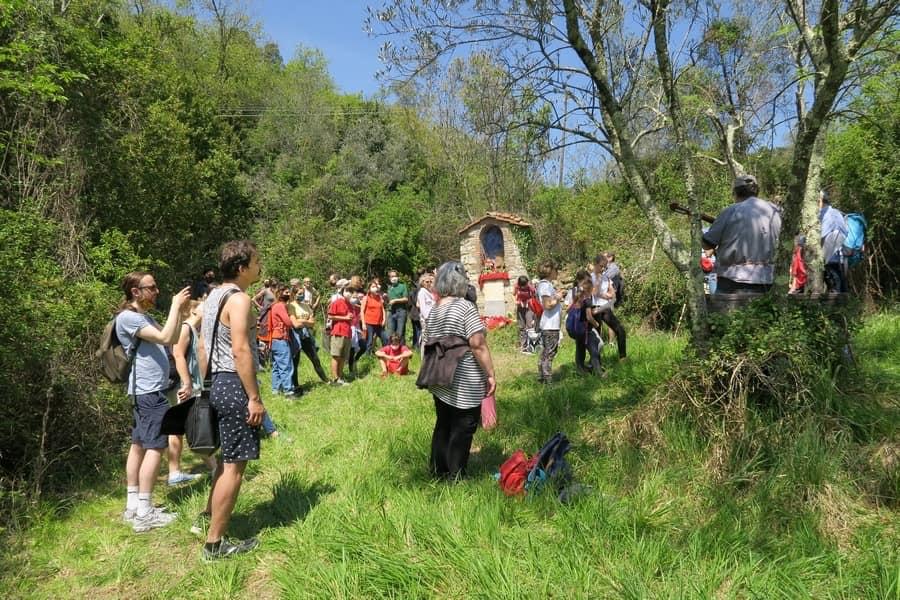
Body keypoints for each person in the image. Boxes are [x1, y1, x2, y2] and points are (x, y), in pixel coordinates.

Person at [197, 240, 265, 560]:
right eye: (255, 261)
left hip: (215, 382)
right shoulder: (239, 300)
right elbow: (241, 350)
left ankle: (208, 516)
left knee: (225, 460)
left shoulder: (212, 296)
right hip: (235, 384)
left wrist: (204, 385)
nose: (259, 265)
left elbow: (201, 346)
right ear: (241, 267)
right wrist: (253, 397)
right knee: (235, 467)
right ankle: (215, 544)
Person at [116, 272, 191, 532]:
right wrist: (174, 306)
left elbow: (171, 337)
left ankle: (133, 505)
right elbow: (163, 338)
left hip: (148, 392)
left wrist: (180, 312)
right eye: (152, 287)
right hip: (148, 393)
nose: (156, 291)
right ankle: (145, 513)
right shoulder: (128, 318)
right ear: (136, 291)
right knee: (155, 447)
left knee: (138, 445)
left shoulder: (143, 317)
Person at [421, 261, 496, 479]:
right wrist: (490, 374)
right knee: (463, 425)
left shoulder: (436, 309)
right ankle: (456, 474)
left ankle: (438, 470)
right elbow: (477, 343)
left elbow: (427, 341)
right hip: (464, 377)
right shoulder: (464, 307)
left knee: (444, 422)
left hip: (440, 374)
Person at [702, 174, 782, 293]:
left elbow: (707, 244)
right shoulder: (776, 211)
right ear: (756, 191)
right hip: (769, 280)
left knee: (725, 312)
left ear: (735, 193)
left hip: (733, 281)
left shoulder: (731, 211)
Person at [168, 300, 216, 485]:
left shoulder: (195, 329)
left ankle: (174, 472)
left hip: (189, 386)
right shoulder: (185, 328)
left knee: (179, 429)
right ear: (194, 311)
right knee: (197, 427)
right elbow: (178, 354)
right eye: (205, 306)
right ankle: (215, 468)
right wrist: (187, 384)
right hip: (185, 387)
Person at [288, 291, 329, 388]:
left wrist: (302, 321)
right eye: (298, 293)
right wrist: (306, 322)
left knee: (315, 359)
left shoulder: (306, 306)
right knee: (295, 361)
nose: (301, 295)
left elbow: (312, 323)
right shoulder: (291, 306)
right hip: (295, 337)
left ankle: (326, 380)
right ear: (294, 294)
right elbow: (295, 324)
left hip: (306, 336)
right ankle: (296, 385)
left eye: (302, 293)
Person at [590, 254, 627, 360]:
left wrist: (604, 295)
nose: (603, 269)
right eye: (601, 266)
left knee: (620, 330)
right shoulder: (590, 277)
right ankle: (595, 363)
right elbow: (593, 292)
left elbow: (613, 295)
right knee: (596, 337)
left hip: (605, 307)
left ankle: (622, 357)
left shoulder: (606, 278)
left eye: (604, 267)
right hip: (594, 308)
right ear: (595, 264)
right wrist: (604, 294)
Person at [536, 261, 564, 384]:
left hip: (549, 324)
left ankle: (542, 377)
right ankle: (547, 380)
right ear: (549, 271)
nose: (557, 272)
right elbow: (548, 305)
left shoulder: (545, 284)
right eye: (555, 269)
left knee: (546, 351)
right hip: (550, 325)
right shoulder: (545, 285)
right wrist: (558, 296)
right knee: (549, 352)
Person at [269, 286, 297, 395]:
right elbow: (288, 322)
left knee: (276, 366)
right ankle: (288, 391)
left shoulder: (274, 306)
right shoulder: (280, 306)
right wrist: (291, 314)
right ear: (280, 293)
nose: (289, 294)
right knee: (286, 365)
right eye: (286, 292)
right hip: (281, 338)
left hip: (275, 339)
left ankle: (276, 390)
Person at [819, 191, 848, 293]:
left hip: (829, 252)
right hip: (839, 252)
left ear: (820, 201)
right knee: (840, 277)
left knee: (833, 278)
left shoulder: (824, 213)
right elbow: (846, 231)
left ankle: (837, 304)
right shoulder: (837, 212)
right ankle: (846, 305)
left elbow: (823, 234)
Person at [327, 279, 353, 385]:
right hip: (338, 331)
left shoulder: (349, 304)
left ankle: (340, 377)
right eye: (347, 291)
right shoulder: (337, 302)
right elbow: (330, 316)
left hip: (347, 332)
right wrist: (345, 317)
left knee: (343, 357)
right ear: (342, 291)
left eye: (351, 291)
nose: (350, 293)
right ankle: (335, 378)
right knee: (336, 355)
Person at [361, 279, 388, 354]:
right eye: (373, 287)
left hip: (379, 323)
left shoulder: (379, 297)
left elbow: (382, 309)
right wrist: (363, 323)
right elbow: (362, 311)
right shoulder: (366, 298)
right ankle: (367, 357)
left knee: (385, 338)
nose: (375, 288)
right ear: (369, 288)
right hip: (369, 323)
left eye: (376, 286)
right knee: (369, 341)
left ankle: (385, 353)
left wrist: (384, 319)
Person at [513, 275, 536, 354]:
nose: (523, 288)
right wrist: (517, 302)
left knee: (529, 325)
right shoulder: (517, 286)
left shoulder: (530, 287)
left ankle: (531, 345)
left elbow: (534, 296)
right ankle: (523, 345)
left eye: (525, 285)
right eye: (521, 286)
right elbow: (513, 295)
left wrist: (528, 302)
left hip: (529, 307)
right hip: (520, 307)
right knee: (521, 326)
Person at [385, 269, 409, 342]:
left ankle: (401, 350)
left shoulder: (403, 286)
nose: (393, 278)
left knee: (400, 333)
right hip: (391, 311)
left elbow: (406, 299)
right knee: (390, 333)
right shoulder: (389, 288)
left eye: (395, 276)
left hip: (401, 311)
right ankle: (390, 350)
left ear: (398, 277)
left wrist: (395, 300)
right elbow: (387, 301)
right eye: (391, 276)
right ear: (389, 278)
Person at [417, 273, 436, 340]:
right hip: (427, 320)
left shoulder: (429, 292)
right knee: (426, 338)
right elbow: (423, 308)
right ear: (422, 282)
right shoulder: (422, 292)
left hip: (433, 318)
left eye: (430, 281)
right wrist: (427, 319)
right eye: (427, 282)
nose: (429, 283)